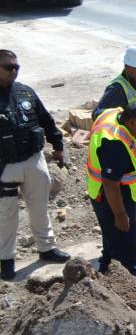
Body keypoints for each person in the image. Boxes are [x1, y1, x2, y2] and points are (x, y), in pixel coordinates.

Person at [0, 49, 70, 281]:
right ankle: (6, 260)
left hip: (33, 160)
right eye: (8, 67)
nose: (14, 71)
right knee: (6, 215)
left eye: (16, 67)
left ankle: (47, 248)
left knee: (39, 207)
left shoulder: (25, 92)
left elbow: (46, 120)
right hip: (5, 166)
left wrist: (58, 146)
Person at [95, 43, 136, 252]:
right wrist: (125, 126)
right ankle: (135, 239)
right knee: (130, 194)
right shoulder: (117, 88)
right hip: (129, 150)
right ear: (129, 68)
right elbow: (99, 115)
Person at [87, 101, 136, 276]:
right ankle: (128, 276)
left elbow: (97, 112)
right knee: (124, 245)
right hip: (113, 197)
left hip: (119, 192)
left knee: (112, 241)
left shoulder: (114, 113)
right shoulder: (114, 143)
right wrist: (120, 215)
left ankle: (106, 272)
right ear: (131, 121)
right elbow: (110, 183)